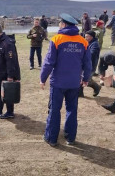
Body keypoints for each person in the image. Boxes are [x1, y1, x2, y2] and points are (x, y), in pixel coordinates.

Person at [40, 13, 92, 146]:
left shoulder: (56, 39)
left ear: (63, 24)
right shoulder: (83, 41)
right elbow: (88, 63)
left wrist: (43, 78)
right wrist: (85, 78)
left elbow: (48, 62)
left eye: (59, 23)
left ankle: (51, 138)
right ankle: (70, 137)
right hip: (74, 82)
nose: (58, 25)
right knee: (72, 109)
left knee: (54, 110)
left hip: (58, 82)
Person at [0, 22, 21, 119]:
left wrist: (10, 76)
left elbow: (11, 61)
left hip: (6, 74)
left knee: (8, 91)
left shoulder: (7, 43)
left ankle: (10, 112)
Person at [79, 30, 101, 97]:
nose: (85, 38)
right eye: (85, 36)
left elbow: (91, 54)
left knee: (86, 80)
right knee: (81, 78)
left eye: (87, 36)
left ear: (92, 37)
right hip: (84, 64)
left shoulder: (95, 44)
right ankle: (80, 94)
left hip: (91, 65)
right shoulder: (86, 42)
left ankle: (96, 87)